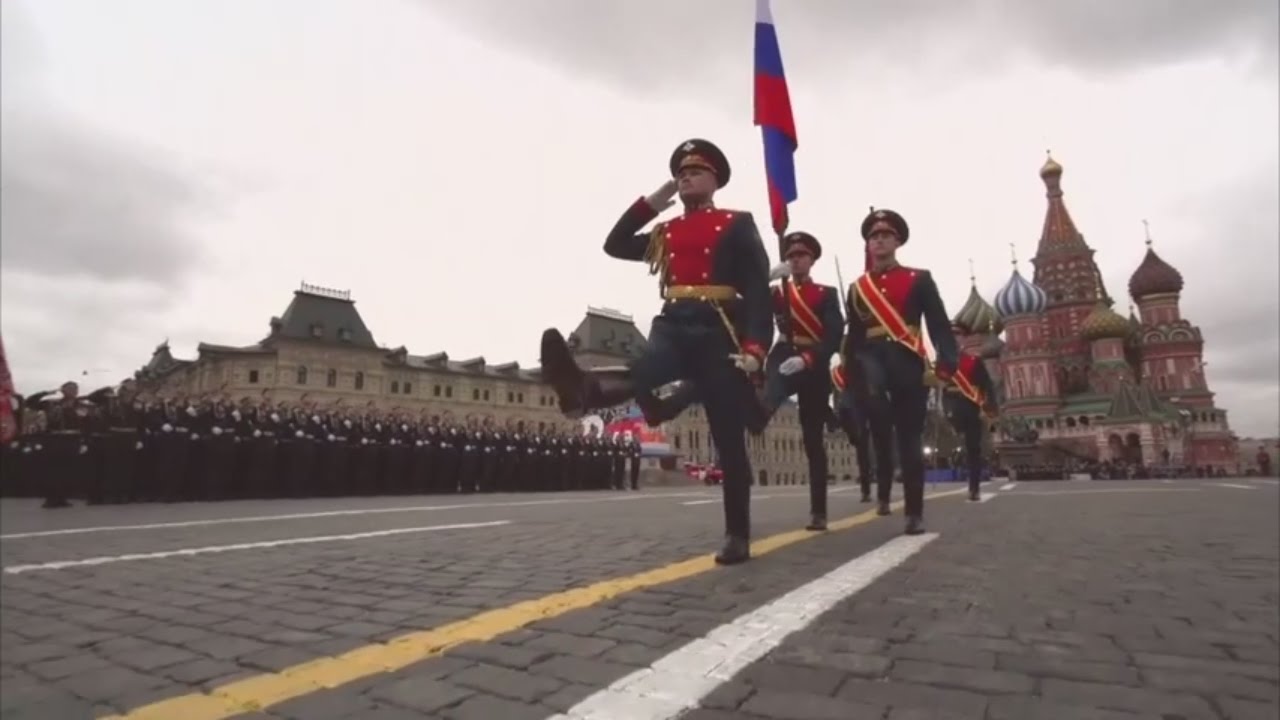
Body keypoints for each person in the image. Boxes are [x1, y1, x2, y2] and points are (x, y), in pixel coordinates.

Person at [539, 138, 773, 564]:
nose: (686, 177)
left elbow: (758, 291)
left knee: (727, 436)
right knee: (645, 371)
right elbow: (614, 243)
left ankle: (737, 533)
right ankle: (581, 387)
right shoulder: (666, 231)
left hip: (717, 328)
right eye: (680, 173)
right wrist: (656, 200)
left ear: (715, 179)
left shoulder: (738, 223)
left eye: (695, 171)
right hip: (672, 323)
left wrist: (757, 347)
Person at [646, 231, 843, 530]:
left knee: (812, 441)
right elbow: (741, 303)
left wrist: (809, 359)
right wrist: (763, 281)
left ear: (812, 260)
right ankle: (752, 415)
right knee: (766, 400)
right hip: (782, 354)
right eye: (791, 256)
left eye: (801, 256)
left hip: (813, 364)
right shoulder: (778, 294)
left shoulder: (825, 294)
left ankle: (819, 511)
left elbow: (832, 335)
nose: (796, 260)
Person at [842, 207, 958, 535]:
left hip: (906, 360)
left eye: (885, 235)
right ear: (867, 244)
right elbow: (854, 334)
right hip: (869, 360)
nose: (878, 240)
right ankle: (881, 494)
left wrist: (947, 363)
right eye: (873, 236)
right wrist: (848, 375)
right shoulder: (857, 288)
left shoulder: (918, 279)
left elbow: (937, 324)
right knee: (878, 431)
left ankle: (914, 511)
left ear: (897, 241)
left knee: (908, 438)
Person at [940, 330, 999, 501]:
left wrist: (990, 407)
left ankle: (974, 487)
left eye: (958, 336)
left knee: (974, 448)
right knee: (954, 445)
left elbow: (986, 384)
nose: (955, 339)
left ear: (963, 339)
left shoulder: (974, 361)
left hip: (971, 406)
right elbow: (941, 387)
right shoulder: (944, 362)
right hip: (952, 406)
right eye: (952, 336)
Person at [829, 361, 874, 503]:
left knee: (863, 450)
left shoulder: (865, 366)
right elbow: (834, 391)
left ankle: (865, 490)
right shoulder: (838, 371)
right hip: (845, 409)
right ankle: (866, 488)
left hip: (861, 408)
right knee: (860, 445)